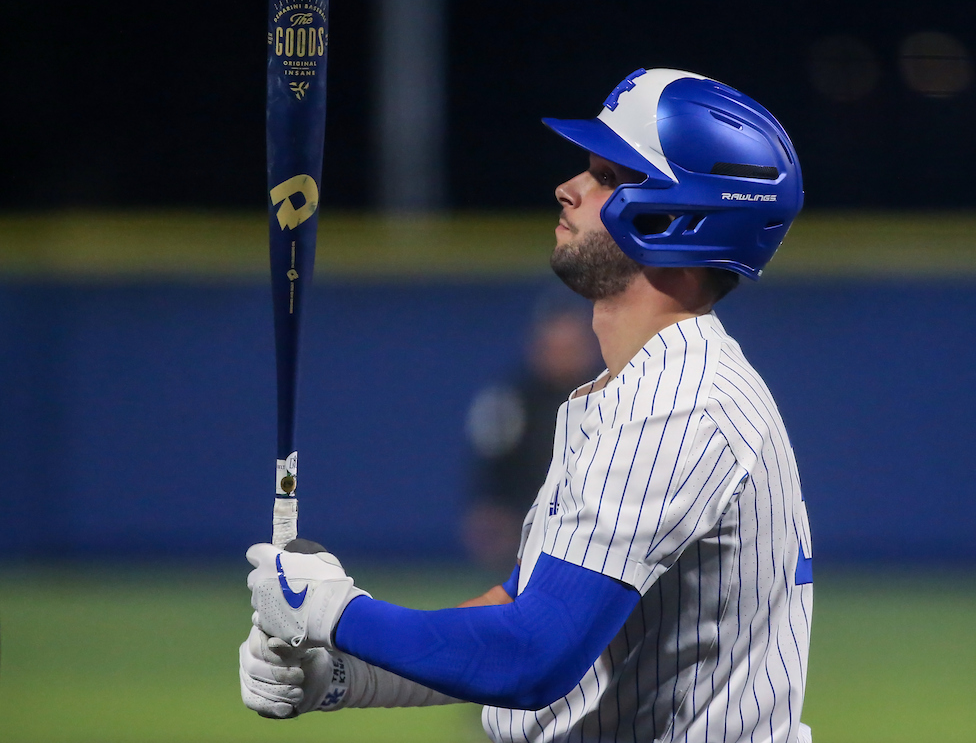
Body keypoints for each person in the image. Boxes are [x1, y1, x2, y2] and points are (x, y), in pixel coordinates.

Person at [240, 67, 815, 742]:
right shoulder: (644, 391)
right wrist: (344, 675)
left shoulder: (680, 407)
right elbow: (515, 604)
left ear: (673, 216)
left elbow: (531, 655)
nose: (568, 188)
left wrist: (336, 612)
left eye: (606, 174)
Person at [462, 293, 602, 571]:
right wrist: (488, 510)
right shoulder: (511, 398)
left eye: (571, 347)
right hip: (524, 527)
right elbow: (492, 466)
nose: (562, 356)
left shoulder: (610, 394)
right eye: (554, 347)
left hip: (593, 527)